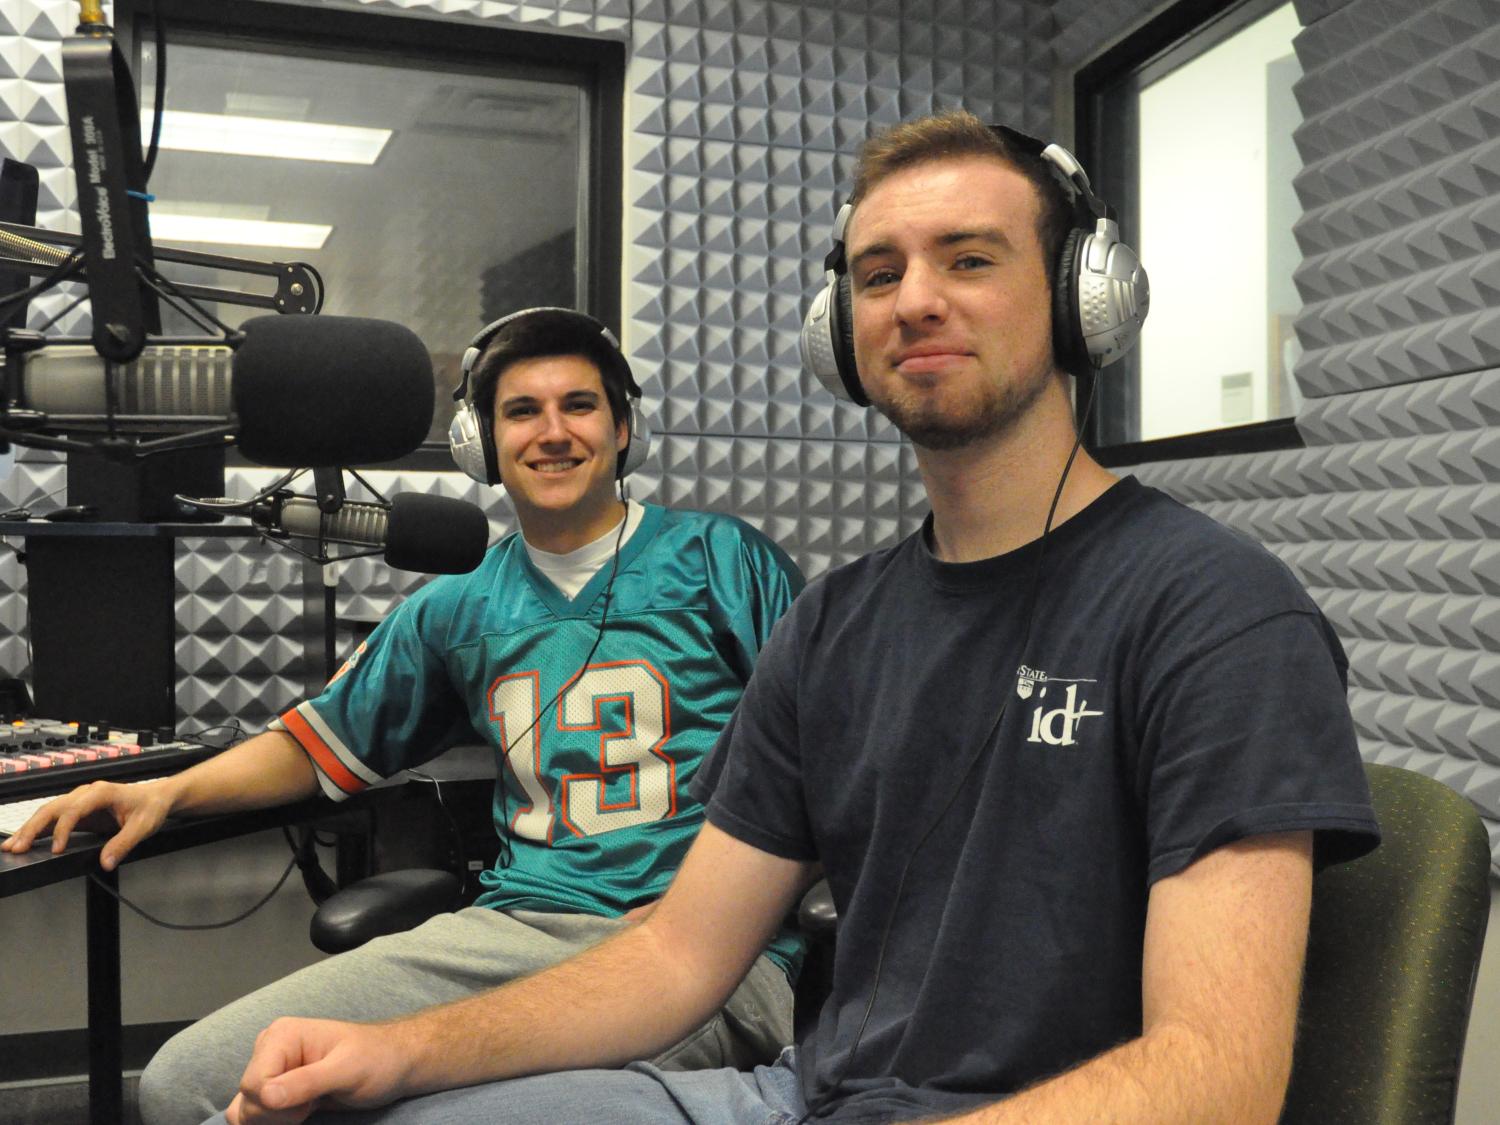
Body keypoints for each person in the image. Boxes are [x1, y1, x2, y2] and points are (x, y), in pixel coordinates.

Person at [212, 111, 1380, 1125]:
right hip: (801, 1096)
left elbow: (1214, 1080)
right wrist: (399, 1050)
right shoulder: (836, 626)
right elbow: (677, 958)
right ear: (842, 333)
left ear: (1084, 300)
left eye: (970, 259)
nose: (917, 300)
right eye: (878, 274)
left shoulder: (1216, 611)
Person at [1, 307, 806, 1125]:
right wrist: (169, 793)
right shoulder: (455, 605)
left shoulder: (723, 560)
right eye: (522, 411)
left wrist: (734, 912)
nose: (553, 431)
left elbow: (839, 774)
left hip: (703, 949)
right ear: (482, 444)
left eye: (581, 405)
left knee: (411, 1112)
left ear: (623, 428)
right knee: (191, 1082)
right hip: (513, 929)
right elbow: (319, 741)